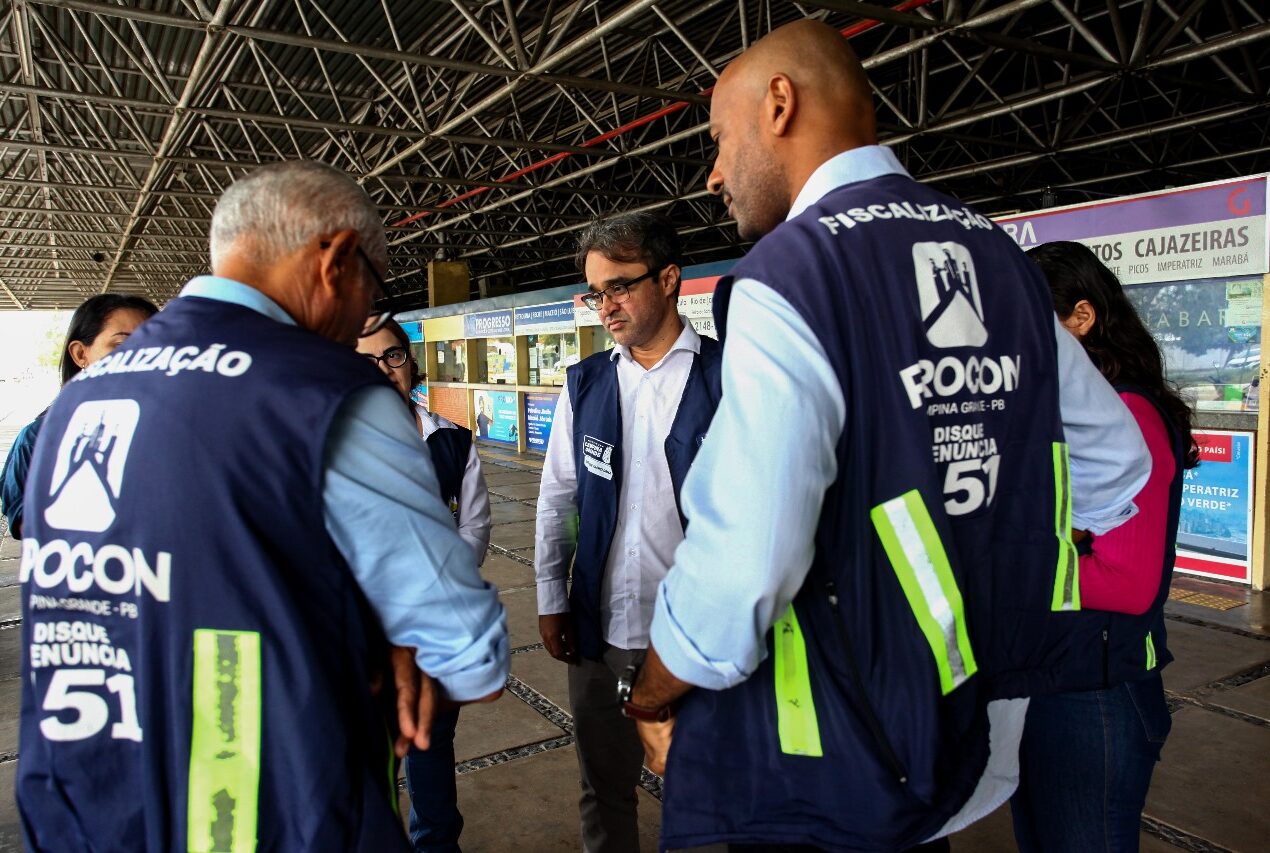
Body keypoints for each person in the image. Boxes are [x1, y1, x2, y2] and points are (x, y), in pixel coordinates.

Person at [623, 20, 1151, 851]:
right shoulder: (1004, 261)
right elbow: (1118, 468)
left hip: (824, 764)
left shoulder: (790, 275)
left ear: (781, 105)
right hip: (960, 745)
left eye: (720, 139)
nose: (714, 172)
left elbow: (744, 566)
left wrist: (652, 692)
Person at [16, 160, 509, 852]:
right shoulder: (324, 393)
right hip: (269, 814)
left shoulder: (76, 405)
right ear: (336, 258)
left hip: (85, 811)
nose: (365, 313)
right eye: (374, 282)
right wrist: (382, 639)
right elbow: (469, 653)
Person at [535, 211, 722, 853]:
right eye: (595, 292)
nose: (604, 307)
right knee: (603, 789)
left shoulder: (727, 380)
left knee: (707, 795)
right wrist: (551, 596)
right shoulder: (585, 383)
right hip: (601, 631)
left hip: (697, 638)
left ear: (669, 279)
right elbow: (560, 497)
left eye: (619, 287)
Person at [1011, 241, 1197, 853]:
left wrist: (1010, 560)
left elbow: (1130, 582)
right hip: (1051, 681)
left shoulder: (1129, 415)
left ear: (1081, 319)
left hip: (1095, 698)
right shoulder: (1067, 413)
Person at [358, 318, 492, 853]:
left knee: (431, 754)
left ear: (410, 363)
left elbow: (475, 529)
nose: (383, 371)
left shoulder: (451, 443)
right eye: (365, 361)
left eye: (392, 357)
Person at [1, 294, 157, 538]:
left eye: (153, 344)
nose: (141, 356)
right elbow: (22, 522)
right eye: (120, 345)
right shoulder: (37, 437)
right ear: (80, 354)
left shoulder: (174, 430)